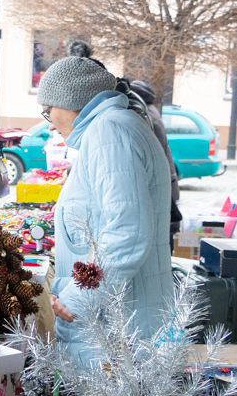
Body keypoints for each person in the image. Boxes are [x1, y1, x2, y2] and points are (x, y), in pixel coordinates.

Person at [37, 56, 172, 368]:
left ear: (69, 102)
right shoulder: (113, 128)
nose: (48, 121)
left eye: (48, 110)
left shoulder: (109, 133)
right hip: (117, 325)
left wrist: (78, 297)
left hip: (118, 330)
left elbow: (127, 234)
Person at [130, 79, 182, 247]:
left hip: (163, 191)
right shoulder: (150, 112)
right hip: (168, 187)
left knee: (161, 239)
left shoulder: (146, 117)